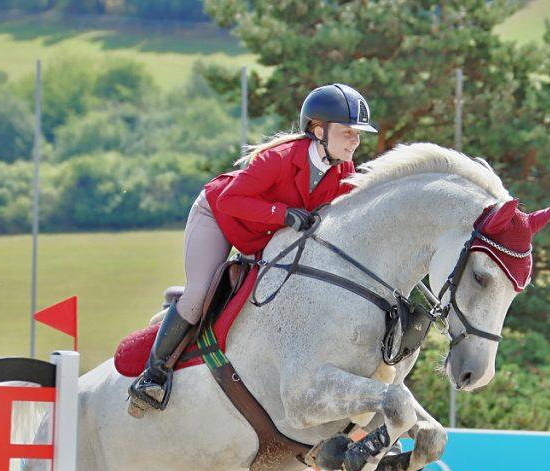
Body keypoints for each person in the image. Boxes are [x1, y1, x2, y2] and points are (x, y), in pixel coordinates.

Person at [128, 83, 378, 415]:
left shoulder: (344, 170)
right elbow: (230, 200)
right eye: (347, 132)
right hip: (218, 216)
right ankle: (153, 375)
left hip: (263, 236)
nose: (355, 140)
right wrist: (282, 214)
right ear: (319, 131)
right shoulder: (280, 158)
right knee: (199, 293)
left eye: (357, 134)